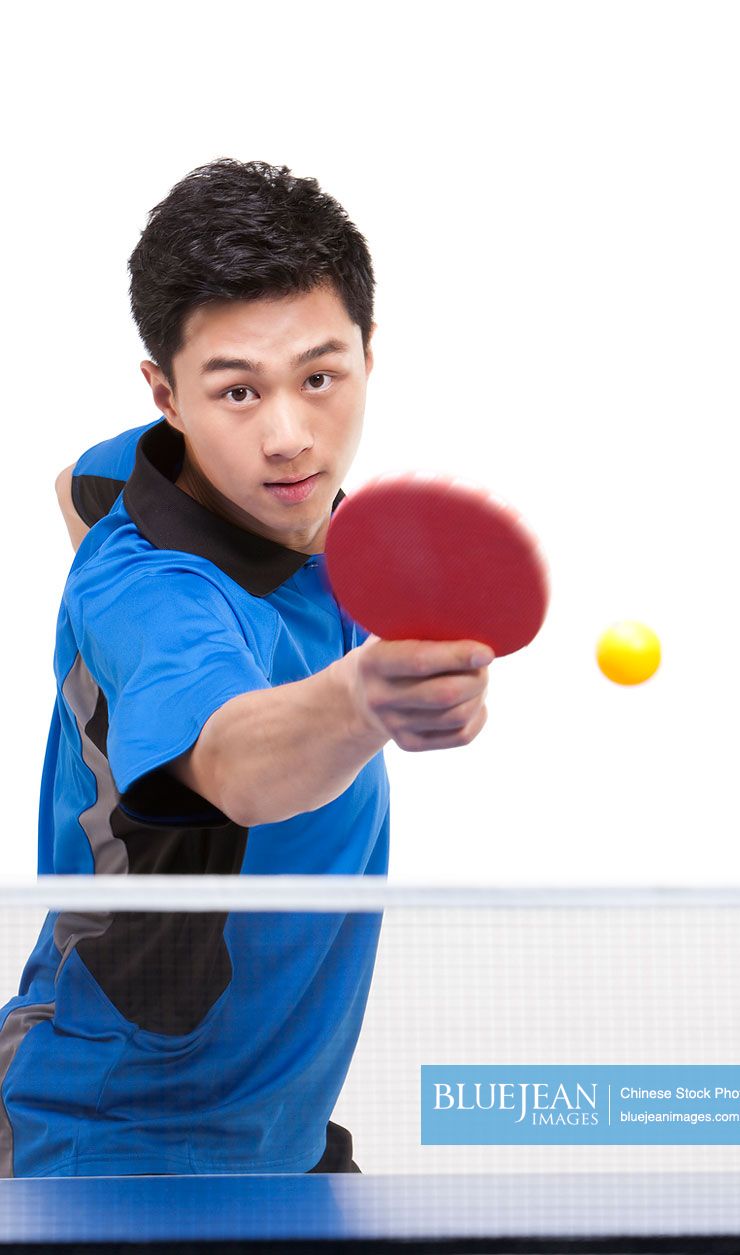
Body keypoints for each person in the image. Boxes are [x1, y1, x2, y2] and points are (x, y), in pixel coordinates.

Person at [0, 158, 494, 1179]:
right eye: (235, 390)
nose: (286, 437)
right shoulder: (158, 598)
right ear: (165, 395)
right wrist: (360, 698)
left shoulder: (138, 472)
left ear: (367, 353)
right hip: (108, 1143)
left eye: (319, 377)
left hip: (283, 1138)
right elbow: (233, 762)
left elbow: (79, 482)